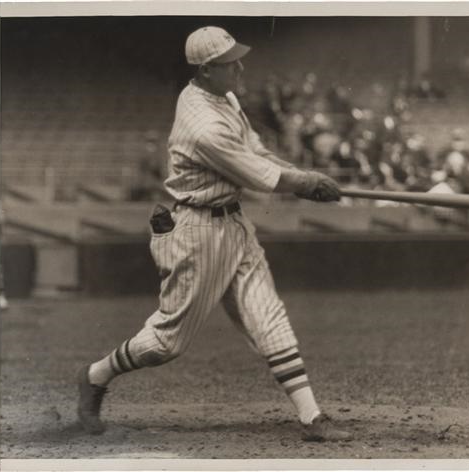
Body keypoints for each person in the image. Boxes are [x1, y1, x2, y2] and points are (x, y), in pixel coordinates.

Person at [77, 26, 351, 443]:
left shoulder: (224, 97)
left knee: (268, 315)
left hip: (235, 224)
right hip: (198, 230)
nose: (240, 67)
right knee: (167, 343)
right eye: (229, 62)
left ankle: (312, 418)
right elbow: (257, 174)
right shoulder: (203, 124)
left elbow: (257, 151)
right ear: (206, 70)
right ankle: (96, 375)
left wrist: (305, 178)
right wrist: (305, 184)